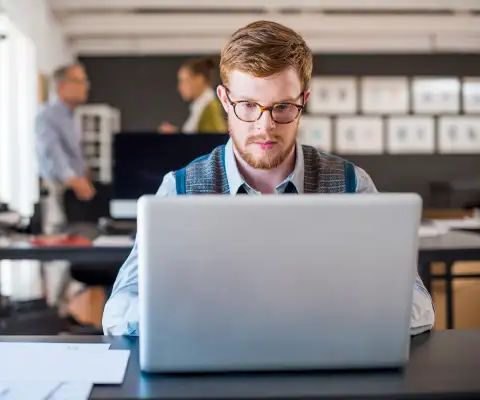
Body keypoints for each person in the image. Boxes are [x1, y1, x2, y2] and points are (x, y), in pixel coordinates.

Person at [103, 20, 435, 336]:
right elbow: (119, 311)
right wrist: (197, 312)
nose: (265, 126)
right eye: (247, 105)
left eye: (282, 107)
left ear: (303, 101)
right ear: (224, 100)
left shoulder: (352, 185)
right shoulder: (178, 189)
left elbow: (418, 303)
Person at [35, 63, 95, 231]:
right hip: (58, 193)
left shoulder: (71, 116)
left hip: (73, 195)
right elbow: (51, 151)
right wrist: (73, 179)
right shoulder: (48, 115)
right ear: (62, 86)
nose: (85, 87)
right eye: (80, 81)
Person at [158, 57, 227, 134]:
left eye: (183, 80)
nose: (179, 87)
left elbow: (212, 140)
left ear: (199, 80)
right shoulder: (202, 106)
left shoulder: (210, 107)